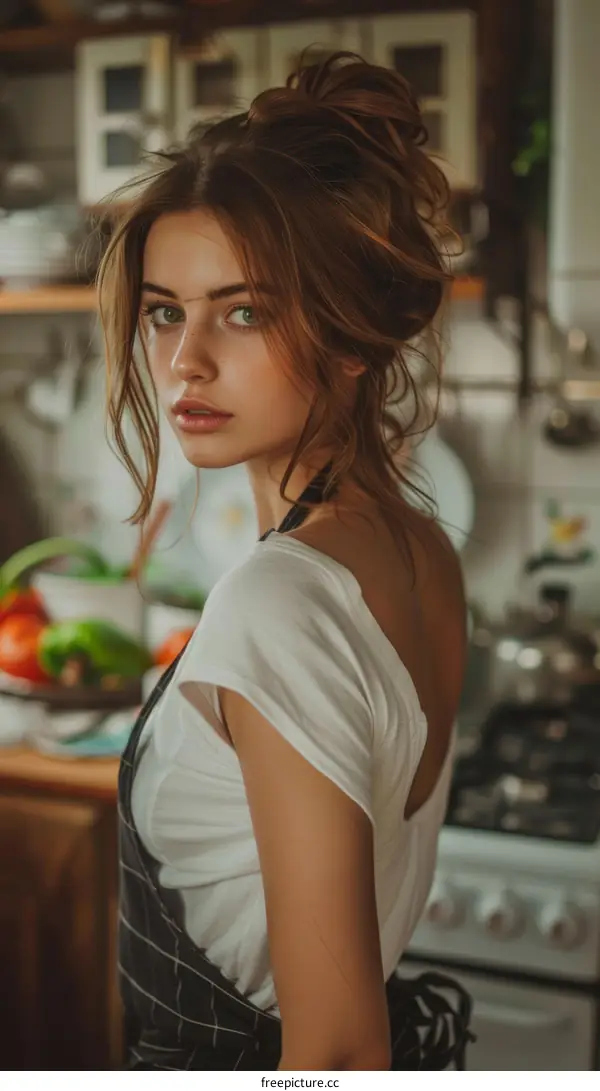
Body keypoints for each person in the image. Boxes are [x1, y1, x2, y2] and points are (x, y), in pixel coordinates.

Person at [97, 51, 473, 1071]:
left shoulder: (277, 598)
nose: (185, 361)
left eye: (245, 310)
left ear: (353, 336)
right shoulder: (420, 548)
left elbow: (339, 1050)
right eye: (166, 310)